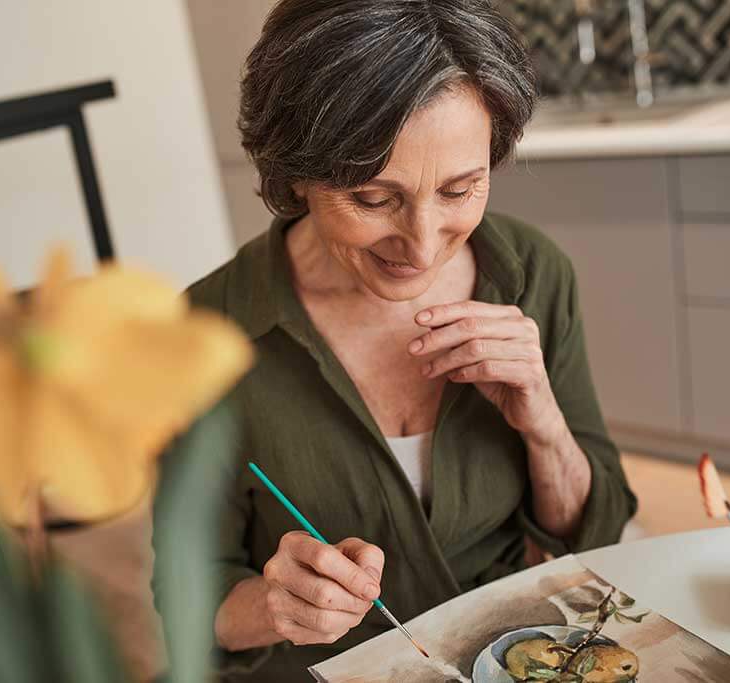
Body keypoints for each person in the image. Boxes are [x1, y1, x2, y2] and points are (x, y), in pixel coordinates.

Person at [153, 1, 637, 680]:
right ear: (295, 171)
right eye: (375, 200)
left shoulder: (531, 276)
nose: (422, 244)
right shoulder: (206, 333)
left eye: (461, 189)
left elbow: (599, 526)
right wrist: (274, 604)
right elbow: (186, 592)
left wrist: (544, 427)